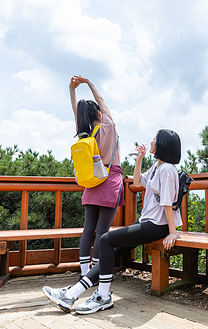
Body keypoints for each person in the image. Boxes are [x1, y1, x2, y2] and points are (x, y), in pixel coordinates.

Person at [42, 129, 182, 314]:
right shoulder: (158, 167)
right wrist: (140, 158)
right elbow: (138, 182)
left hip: (158, 225)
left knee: (106, 240)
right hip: (148, 221)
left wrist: (172, 232)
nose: (151, 141)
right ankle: (73, 293)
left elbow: (167, 203)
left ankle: (102, 296)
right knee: (113, 251)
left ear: (163, 144)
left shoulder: (167, 170)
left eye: (155, 139)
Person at [69, 75, 125, 278]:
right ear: (99, 114)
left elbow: (77, 112)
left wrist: (72, 90)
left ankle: (85, 273)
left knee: (88, 229)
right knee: (102, 232)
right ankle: (95, 275)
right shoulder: (108, 127)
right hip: (110, 181)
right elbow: (101, 101)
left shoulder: (84, 133)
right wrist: (89, 83)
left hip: (91, 183)